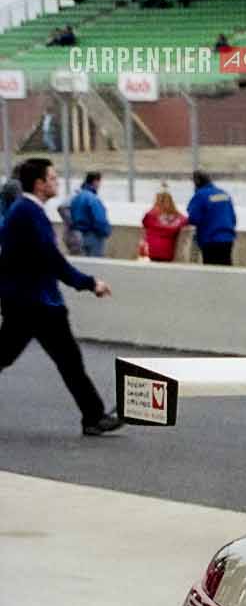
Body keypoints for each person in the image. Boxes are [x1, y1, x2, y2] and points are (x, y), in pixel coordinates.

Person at [1, 157, 119, 435]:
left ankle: (94, 416)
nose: (57, 182)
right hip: (37, 303)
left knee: (61, 360)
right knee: (68, 361)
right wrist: (90, 283)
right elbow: (52, 260)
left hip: (28, 301)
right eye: (53, 178)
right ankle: (94, 417)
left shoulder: (24, 211)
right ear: (40, 184)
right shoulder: (29, 213)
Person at [184, 171, 236, 265]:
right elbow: (232, 217)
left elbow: (193, 218)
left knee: (211, 273)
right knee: (226, 270)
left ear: (197, 183)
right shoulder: (223, 193)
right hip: (228, 238)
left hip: (210, 240)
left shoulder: (200, 195)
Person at [64, 172, 109, 258]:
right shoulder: (93, 199)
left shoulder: (76, 197)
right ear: (95, 182)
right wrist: (106, 231)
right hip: (93, 237)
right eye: (99, 182)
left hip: (78, 236)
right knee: (95, 266)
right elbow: (100, 220)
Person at [140, 186, 187, 262]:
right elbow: (185, 221)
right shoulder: (178, 218)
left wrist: (155, 207)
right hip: (168, 252)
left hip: (152, 251)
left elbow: (144, 222)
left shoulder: (150, 215)